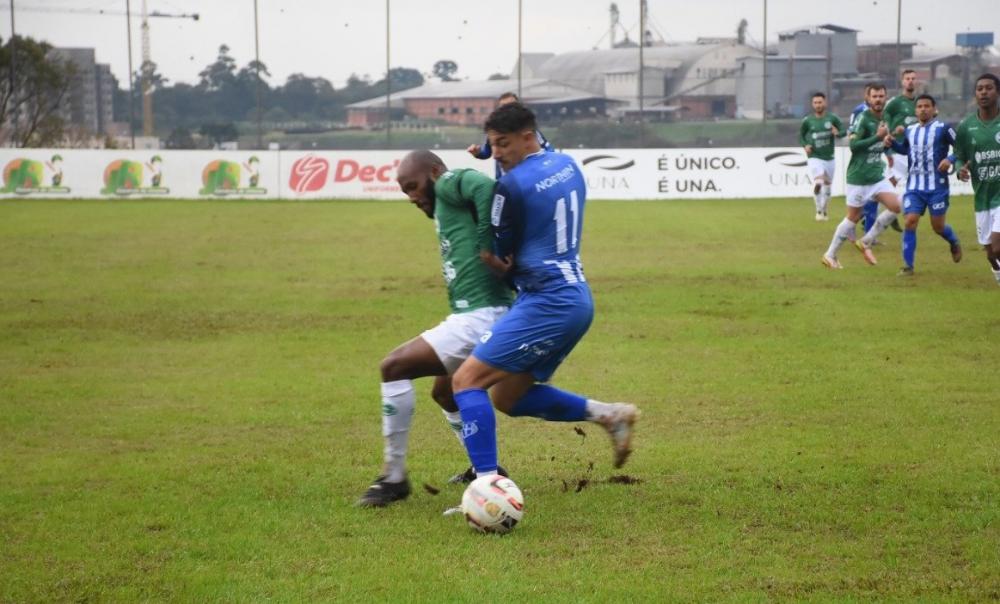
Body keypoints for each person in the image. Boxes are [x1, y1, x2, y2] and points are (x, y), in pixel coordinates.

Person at [449, 102, 639, 488]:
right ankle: (609, 415)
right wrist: (488, 149)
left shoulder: (510, 186)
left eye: (502, 144)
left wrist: (487, 256)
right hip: (575, 298)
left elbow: (501, 256)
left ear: (526, 138)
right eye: (492, 145)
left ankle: (488, 487)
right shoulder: (566, 164)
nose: (496, 154)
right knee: (507, 398)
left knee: (465, 381)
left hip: (547, 301)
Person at [356, 150, 514, 507]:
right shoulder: (445, 202)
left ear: (434, 171)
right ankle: (486, 470)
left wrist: (487, 248)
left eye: (413, 186)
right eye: (405, 192)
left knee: (393, 367)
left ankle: (394, 478)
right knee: (445, 393)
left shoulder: (447, 182)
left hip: (481, 316)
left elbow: (485, 187)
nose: (412, 197)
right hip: (481, 314)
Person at [822, 83, 902, 268]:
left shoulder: (886, 118)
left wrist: (889, 140)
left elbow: (881, 142)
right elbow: (854, 146)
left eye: (881, 96)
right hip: (859, 178)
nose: (878, 100)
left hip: (877, 177)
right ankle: (830, 255)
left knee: (897, 206)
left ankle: (866, 240)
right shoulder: (863, 118)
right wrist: (878, 137)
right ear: (868, 98)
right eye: (874, 96)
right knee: (853, 217)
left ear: (885, 97)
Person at [884, 94, 962, 275]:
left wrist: (950, 159)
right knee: (910, 221)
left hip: (937, 187)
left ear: (934, 109)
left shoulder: (943, 128)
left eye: (927, 106)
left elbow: (961, 146)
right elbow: (905, 149)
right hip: (915, 186)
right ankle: (908, 266)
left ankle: (953, 241)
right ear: (915, 110)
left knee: (938, 227)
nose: (923, 109)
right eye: (919, 106)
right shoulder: (910, 130)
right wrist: (892, 143)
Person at [954, 73, 1000, 286]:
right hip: (982, 197)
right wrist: (960, 170)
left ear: (997, 92)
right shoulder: (966, 127)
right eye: (980, 89)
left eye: (989, 88)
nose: (984, 92)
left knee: (998, 247)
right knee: (990, 253)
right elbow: (959, 156)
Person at [467, 92, 553, 178]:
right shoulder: (494, 132)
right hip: (504, 179)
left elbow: (548, 150)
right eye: (504, 107)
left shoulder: (527, 129)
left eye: (511, 106)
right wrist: (478, 153)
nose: (496, 154)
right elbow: (486, 153)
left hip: (527, 178)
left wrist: (550, 169)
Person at [799, 92, 846, 221]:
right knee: (819, 181)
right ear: (812, 104)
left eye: (820, 102)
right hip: (814, 156)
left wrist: (838, 133)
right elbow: (801, 136)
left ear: (825, 103)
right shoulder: (808, 120)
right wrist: (805, 145)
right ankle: (818, 210)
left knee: (828, 187)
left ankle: (824, 210)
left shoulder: (832, 118)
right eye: (815, 103)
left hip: (829, 157)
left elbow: (843, 131)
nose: (818, 105)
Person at [884, 69, 919, 188]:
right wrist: (892, 132)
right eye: (907, 79)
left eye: (913, 79)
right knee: (895, 183)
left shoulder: (920, 102)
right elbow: (884, 119)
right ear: (902, 82)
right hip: (898, 150)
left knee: (913, 184)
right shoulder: (895, 102)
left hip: (915, 149)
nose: (910, 81)